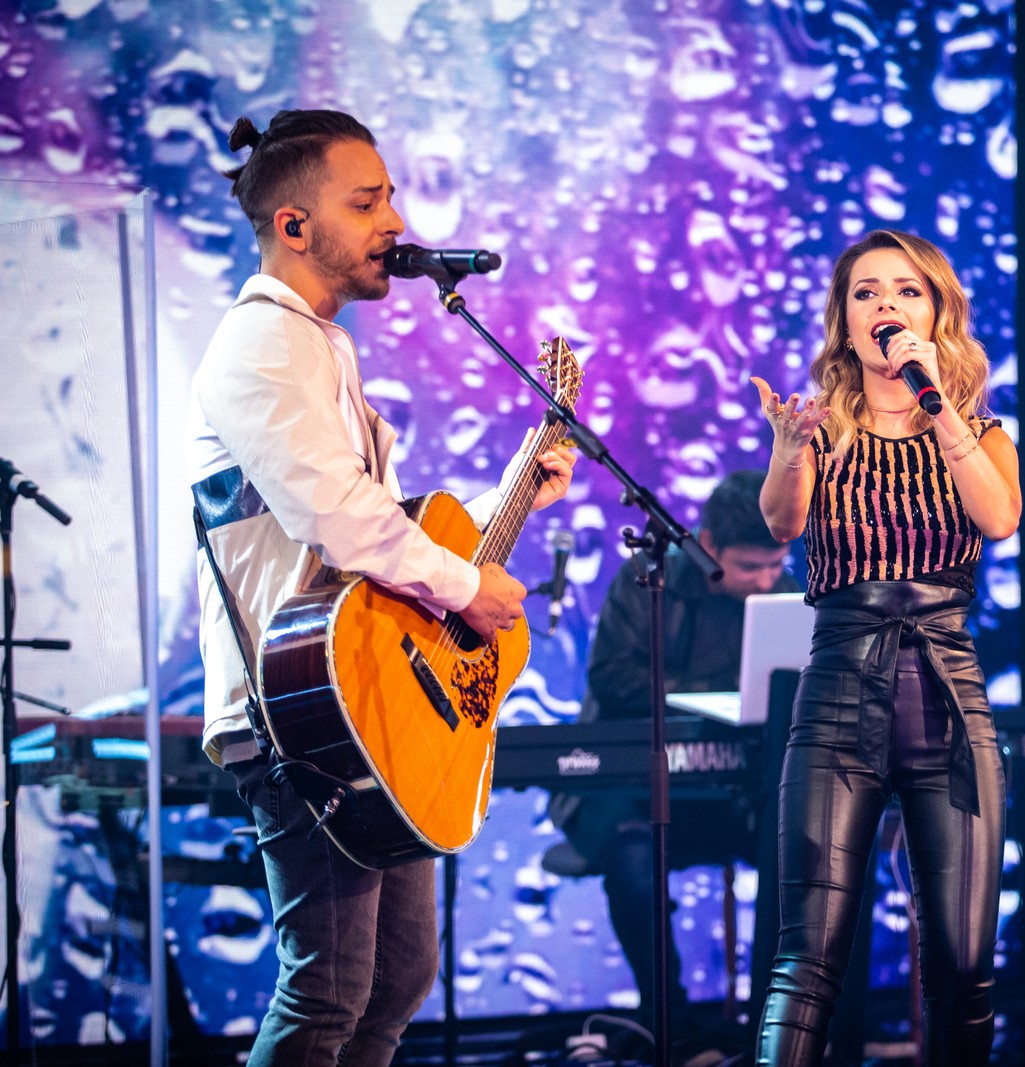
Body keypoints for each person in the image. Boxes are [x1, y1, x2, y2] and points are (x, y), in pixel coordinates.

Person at [187, 108, 575, 1067]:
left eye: (392, 196)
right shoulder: (260, 344)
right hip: (296, 713)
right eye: (368, 202)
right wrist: (468, 587)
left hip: (357, 702)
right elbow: (338, 517)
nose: (394, 221)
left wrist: (513, 486)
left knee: (395, 978)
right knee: (327, 988)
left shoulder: (323, 345)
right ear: (294, 227)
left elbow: (379, 524)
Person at [748, 228, 1021, 1066]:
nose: (886, 307)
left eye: (905, 291)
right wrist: (791, 452)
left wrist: (935, 405)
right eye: (866, 292)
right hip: (838, 686)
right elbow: (782, 522)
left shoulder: (978, 428)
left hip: (947, 689)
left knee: (964, 964)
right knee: (808, 959)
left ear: (936, 311)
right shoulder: (821, 427)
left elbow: (1000, 517)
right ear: (844, 317)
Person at [548, 468, 798, 1053]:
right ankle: (672, 1029)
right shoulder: (645, 581)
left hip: (735, 788)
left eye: (774, 566)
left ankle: (780, 1030)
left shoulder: (787, 592)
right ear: (708, 545)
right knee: (633, 860)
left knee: (803, 850)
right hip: (636, 785)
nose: (766, 582)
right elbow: (612, 680)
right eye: (749, 568)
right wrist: (711, 694)